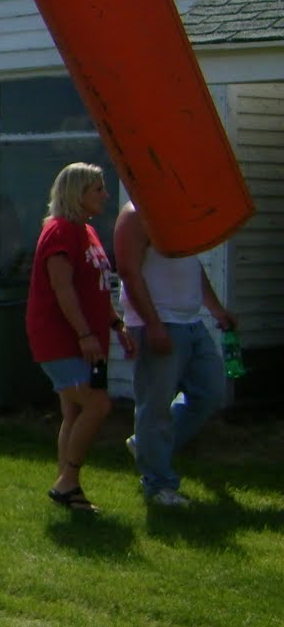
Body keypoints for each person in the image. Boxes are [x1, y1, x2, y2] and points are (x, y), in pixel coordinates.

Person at [25, 163, 137, 513]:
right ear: (77, 194)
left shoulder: (87, 231)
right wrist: (86, 334)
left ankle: (67, 488)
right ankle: (68, 481)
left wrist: (116, 326)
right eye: (98, 189)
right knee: (97, 404)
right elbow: (63, 287)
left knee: (74, 410)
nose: (105, 195)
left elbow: (96, 289)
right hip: (61, 337)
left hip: (87, 337)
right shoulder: (59, 231)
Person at [113, 199, 237, 508]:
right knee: (154, 407)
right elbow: (128, 272)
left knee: (210, 392)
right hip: (158, 322)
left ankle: (147, 447)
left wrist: (217, 310)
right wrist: (153, 326)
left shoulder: (179, 211)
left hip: (191, 322)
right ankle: (158, 485)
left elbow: (192, 266)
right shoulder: (135, 216)